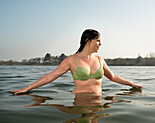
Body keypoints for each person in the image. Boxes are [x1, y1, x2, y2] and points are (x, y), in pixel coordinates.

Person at [12, 29, 142, 95]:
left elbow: (113, 77)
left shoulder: (100, 59)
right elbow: (51, 76)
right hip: (80, 102)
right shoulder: (71, 60)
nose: (100, 44)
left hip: (98, 102)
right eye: (98, 40)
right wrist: (27, 88)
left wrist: (132, 84)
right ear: (87, 40)